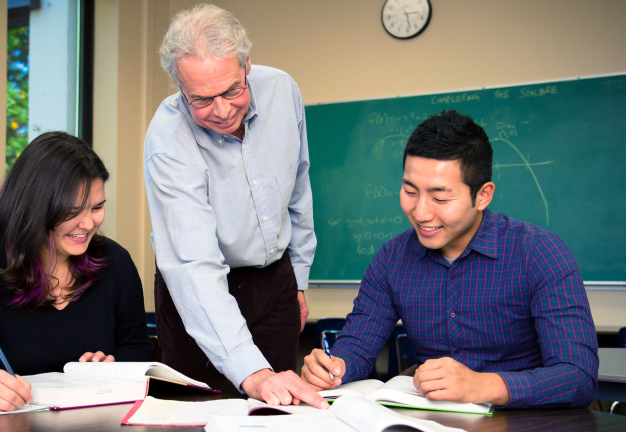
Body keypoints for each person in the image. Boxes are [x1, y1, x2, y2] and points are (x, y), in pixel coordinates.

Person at [301, 110, 599, 409]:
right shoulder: (392, 259)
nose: (420, 213)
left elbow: (578, 377)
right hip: (430, 419)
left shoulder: (539, 253)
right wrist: (333, 368)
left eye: (440, 198)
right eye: (409, 191)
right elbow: (358, 345)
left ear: (483, 195)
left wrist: (486, 386)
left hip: (526, 420)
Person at [143, 4, 324, 408]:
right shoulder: (168, 143)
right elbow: (194, 268)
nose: (222, 110)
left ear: (246, 65)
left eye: (232, 90)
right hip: (197, 292)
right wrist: (251, 373)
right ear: (178, 88)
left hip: (275, 280)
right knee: (201, 415)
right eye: (201, 100)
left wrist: (297, 277)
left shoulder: (282, 91)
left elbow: (298, 188)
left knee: (279, 409)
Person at [0, 132, 151, 411]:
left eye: (97, 207)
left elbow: (138, 353)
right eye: (72, 212)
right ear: (35, 208)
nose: (87, 223)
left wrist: (112, 368)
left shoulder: (115, 263)